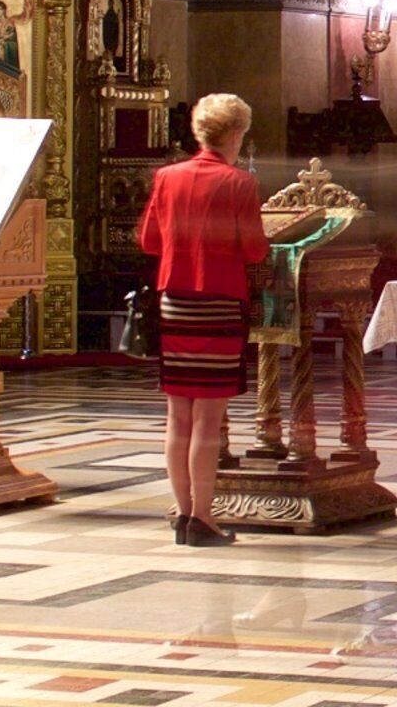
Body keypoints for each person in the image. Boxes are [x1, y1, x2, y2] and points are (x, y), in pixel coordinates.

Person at [135, 91, 267, 546]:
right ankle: (204, 517)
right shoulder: (239, 183)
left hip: (175, 300)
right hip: (220, 301)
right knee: (209, 417)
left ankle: (183, 513)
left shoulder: (167, 177)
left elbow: (149, 241)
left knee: (178, 414)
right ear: (236, 134)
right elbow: (254, 249)